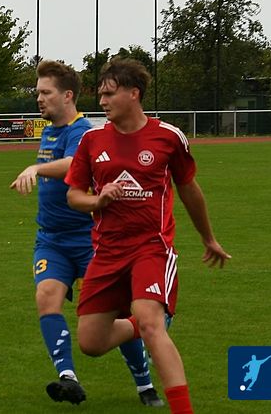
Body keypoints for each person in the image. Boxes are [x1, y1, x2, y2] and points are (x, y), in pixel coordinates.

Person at [64, 58, 231, 414]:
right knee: (91, 342)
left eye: (109, 94)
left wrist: (208, 238)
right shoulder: (92, 140)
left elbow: (189, 189)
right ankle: (141, 322)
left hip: (151, 248)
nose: (102, 101)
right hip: (106, 252)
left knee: (153, 326)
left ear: (134, 93)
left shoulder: (168, 137)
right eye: (101, 94)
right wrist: (98, 199)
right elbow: (74, 196)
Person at [9, 60, 161, 406]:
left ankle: (144, 384)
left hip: (90, 239)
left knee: (116, 314)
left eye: (46, 92)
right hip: (51, 239)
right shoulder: (49, 132)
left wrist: (36, 168)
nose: (39, 99)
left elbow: (73, 164)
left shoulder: (83, 132)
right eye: (37, 93)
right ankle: (68, 378)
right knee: (46, 297)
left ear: (67, 96)